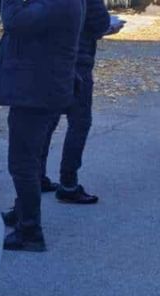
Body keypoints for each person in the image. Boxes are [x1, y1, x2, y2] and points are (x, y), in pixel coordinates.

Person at [0, 0, 84, 252]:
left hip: (37, 92)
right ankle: (23, 212)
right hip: (39, 89)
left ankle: (30, 232)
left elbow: (15, 21)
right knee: (28, 159)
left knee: (22, 163)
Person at [38, 6, 124, 204]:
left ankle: (37, 177)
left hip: (48, 61)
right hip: (77, 62)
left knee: (47, 122)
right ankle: (68, 183)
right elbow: (99, 23)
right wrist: (109, 27)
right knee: (79, 122)